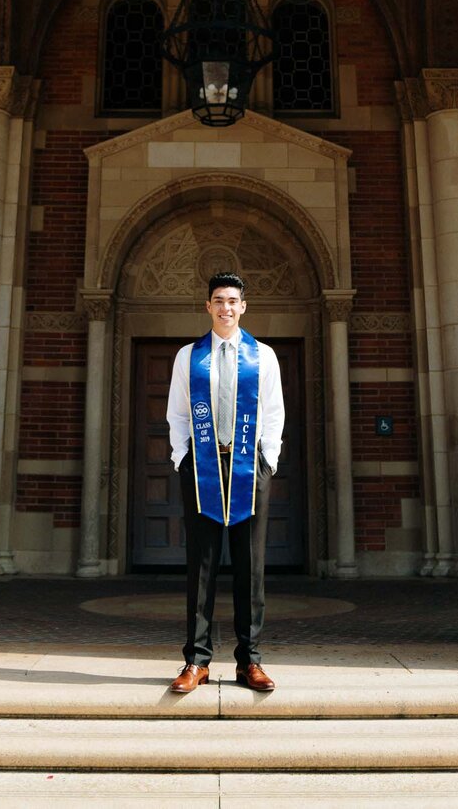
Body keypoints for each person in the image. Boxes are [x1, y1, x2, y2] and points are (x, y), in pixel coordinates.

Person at [165, 271, 285, 693]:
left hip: (249, 468)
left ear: (243, 306)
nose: (226, 308)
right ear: (208, 306)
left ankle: (249, 661)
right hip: (201, 468)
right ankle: (196, 661)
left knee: (250, 567)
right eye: (219, 300)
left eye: (233, 301)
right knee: (202, 566)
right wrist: (183, 459)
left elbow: (273, 413)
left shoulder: (263, 357)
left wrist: (267, 461)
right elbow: (177, 414)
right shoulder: (188, 357)